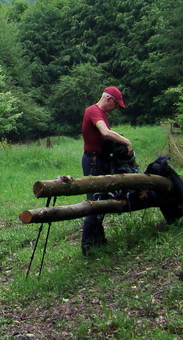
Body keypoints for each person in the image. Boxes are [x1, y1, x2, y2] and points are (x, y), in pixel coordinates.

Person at [80, 86, 133, 254]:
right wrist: (126, 142)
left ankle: (98, 239)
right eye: (116, 104)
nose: (116, 108)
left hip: (100, 160)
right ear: (109, 99)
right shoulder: (93, 111)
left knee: (101, 199)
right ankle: (87, 245)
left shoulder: (102, 114)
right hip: (93, 162)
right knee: (93, 201)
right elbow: (105, 132)